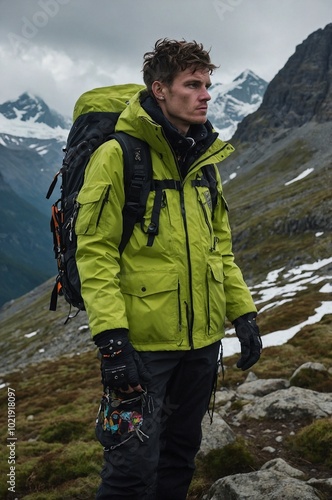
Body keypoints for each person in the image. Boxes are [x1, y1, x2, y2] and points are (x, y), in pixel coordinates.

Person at [75, 38, 262, 500]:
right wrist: (112, 340)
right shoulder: (119, 156)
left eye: (207, 85)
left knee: (180, 456)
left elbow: (220, 248)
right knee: (130, 467)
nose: (205, 95)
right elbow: (94, 252)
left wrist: (244, 314)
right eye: (192, 85)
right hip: (142, 348)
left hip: (201, 346)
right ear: (160, 90)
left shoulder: (205, 162)